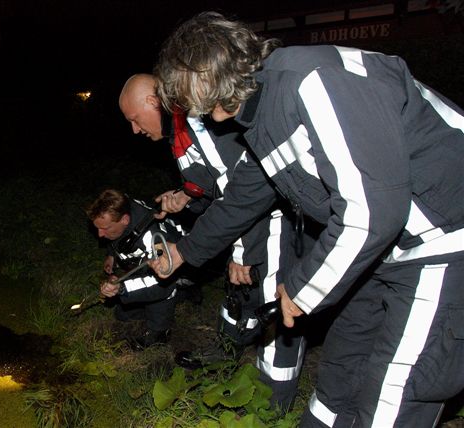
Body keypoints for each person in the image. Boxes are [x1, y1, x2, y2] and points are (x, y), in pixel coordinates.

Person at [150, 10, 464, 427]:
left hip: (443, 239)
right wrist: (183, 252)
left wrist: (301, 288)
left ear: (204, 76)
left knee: (395, 392)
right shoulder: (261, 116)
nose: (188, 110)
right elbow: (244, 197)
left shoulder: (314, 82)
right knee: (343, 366)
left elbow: (370, 213)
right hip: (385, 251)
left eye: (184, 95)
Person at [119, 73, 320, 412]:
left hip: (268, 219)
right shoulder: (178, 132)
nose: (135, 130)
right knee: (238, 293)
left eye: (134, 119)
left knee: (273, 303)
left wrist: (244, 252)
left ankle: (269, 408)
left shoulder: (196, 122)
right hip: (243, 223)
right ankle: (225, 353)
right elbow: (212, 184)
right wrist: (186, 196)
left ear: (153, 102)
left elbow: (244, 190)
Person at [86, 188, 186, 350]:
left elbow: (161, 282)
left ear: (125, 220)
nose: (100, 234)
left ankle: (159, 331)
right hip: (147, 262)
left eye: (105, 228)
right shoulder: (124, 208)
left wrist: (122, 288)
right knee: (122, 315)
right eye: (98, 228)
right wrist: (112, 255)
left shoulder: (153, 239)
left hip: (174, 272)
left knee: (163, 290)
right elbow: (119, 238)